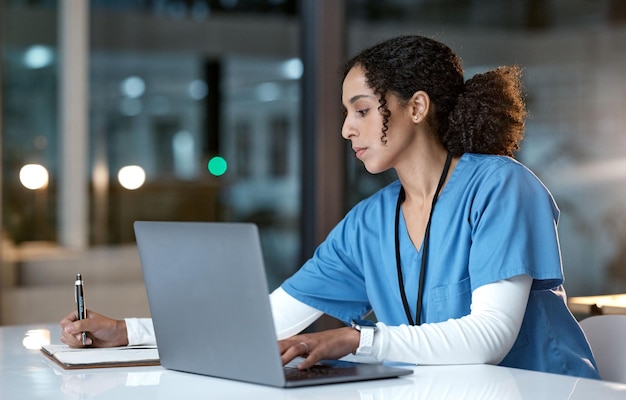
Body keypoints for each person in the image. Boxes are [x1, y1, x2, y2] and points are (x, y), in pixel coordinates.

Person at [61, 35, 600, 379]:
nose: (347, 128)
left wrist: (354, 339)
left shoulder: (501, 186)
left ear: (416, 106)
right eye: (347, 112)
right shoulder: (369, 222)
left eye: (362, 109)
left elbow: (488, 338)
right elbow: (264, 321)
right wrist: (130, 331)